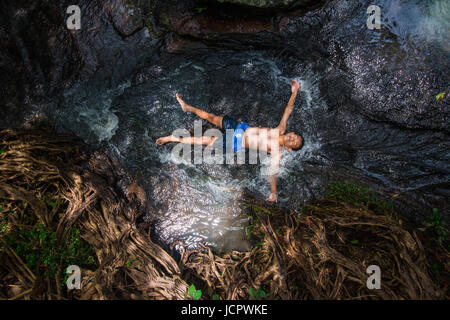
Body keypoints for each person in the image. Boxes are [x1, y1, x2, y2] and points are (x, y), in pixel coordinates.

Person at [156, 80, 303, 202]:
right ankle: (187, 107)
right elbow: (288, 110)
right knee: (211, 117)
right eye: (296, 136)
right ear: (292, 132)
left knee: (204, 140)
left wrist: (273, 193)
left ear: (289, 148)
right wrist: (294, 91)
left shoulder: (277, 150)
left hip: (234, 143)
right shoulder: (280, 129)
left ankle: (171, 138)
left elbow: (272, 172)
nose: (293, 138)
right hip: (240, 128)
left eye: (294, 143)